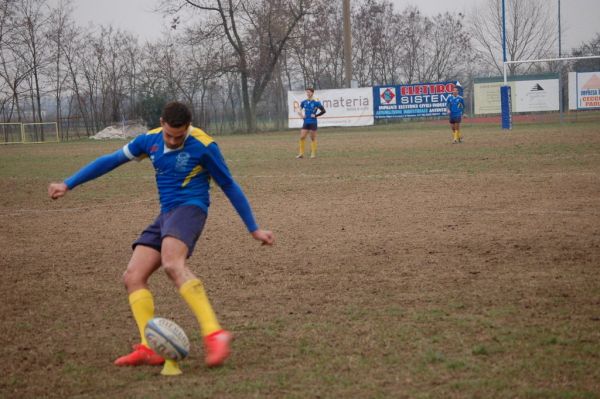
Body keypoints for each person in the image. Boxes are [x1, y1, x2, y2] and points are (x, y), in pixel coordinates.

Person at [48, 101, 274, 373]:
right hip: (166, 214)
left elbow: (229, 185)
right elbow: (110, 161)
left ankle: (215, 333)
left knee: (172, 264)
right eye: (169, 134)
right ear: (161, 123)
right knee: (133, 276)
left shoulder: (204, 145)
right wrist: (68, 183)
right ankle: (149, 347)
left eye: (179, 136)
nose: (173, 140)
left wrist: (253, 228)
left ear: (188, 127)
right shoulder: (149, 140)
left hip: (191, 208)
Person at [296, 88, 326, 158]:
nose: (307, 94)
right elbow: (298, 110)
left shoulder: (316, 102)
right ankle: (301, 154)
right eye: (307, 92)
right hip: (306, 122)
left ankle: (313, 154)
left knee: (312, 138)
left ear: (312, 93)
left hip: (313, 122)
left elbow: (323, 111)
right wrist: (301, 115)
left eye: (309, 92)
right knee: (302, 137)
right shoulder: (304, 102)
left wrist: (316, 115)